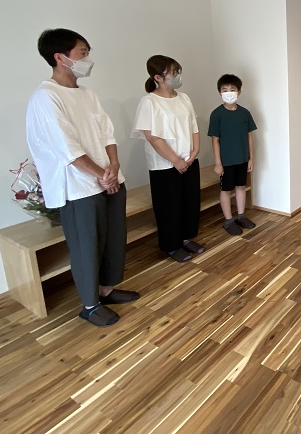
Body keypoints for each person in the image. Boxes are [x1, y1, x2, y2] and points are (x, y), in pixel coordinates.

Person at [26, 28, 139, 327]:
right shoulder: (46, 97)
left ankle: (106, 290)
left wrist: (113, 165)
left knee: (114, 237)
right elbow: (66, 147)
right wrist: (102, 174)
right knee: (87, 245)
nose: (88, 59)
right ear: (60, 57)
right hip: (78, 187)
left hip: (108, 178)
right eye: (83, 54)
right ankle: (90, 305)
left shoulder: (88, 95)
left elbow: (107, 133)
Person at [132, 55, 202, 263]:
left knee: (190, 202)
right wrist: (175, 160)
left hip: (189, 160)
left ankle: (186, 238)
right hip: (164, 166)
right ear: (158, 77)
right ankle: (171, 245)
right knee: (169, 207)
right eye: (172, 72)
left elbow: (194, 126)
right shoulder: (149, 102)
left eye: (177, 71)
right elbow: (153, 137)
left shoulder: (184, 98)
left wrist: (195, 151)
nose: (177, 76)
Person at [208, 74, 257, 236]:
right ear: (219, 92)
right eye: (225, 90)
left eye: (232, 89)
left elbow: (249, 136)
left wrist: (251, 158)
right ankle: (229, 221)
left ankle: (241, 216)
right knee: (226, 189)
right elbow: (215, 140)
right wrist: (218, 163)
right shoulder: (217, 114)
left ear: (239, 92)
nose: (229, 92)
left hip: (242, 158)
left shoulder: (244, 113)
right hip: (226, 161)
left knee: (241, 186)